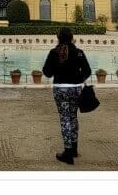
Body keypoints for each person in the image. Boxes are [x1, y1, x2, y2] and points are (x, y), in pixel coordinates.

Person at [42, 27, 92, 165]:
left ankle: (68, 153)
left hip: (61, 90)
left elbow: (47, 72)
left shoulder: (54, 53)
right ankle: (74, 148)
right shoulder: (79, 53)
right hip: (76, 89)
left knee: (64, 119)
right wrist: (78, 79)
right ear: (71, 37)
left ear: (58, 38)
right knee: (73, 117)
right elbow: (88, 71)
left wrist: (57, 70)